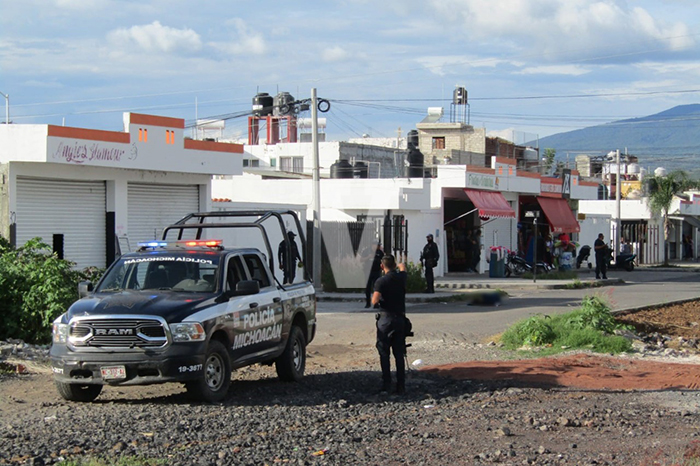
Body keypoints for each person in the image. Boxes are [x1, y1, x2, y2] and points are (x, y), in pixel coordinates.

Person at [371, 255, 407, 395]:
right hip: (400, 319)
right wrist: (399, 265)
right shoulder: (401, 278)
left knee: (384, 353)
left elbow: (375, 301)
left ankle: (387, 384)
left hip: (386, 319)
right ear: (393, 265)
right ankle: (401, 385)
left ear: (382, 266)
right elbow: (403, 268)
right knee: (399, 353)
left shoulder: (381, 281)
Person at [365, 242, 384, 308]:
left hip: (377, 271)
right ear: (372, 245)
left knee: (376, 287)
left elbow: (383, 260)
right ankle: (368, 303)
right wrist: (368, 257)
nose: (378, 247)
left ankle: (376, 303)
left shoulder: (380, 252)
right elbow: (361, 260)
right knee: (368, 288)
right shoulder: (367, 251)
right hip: (368, 272)